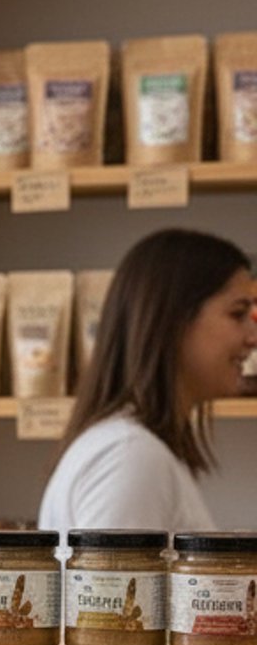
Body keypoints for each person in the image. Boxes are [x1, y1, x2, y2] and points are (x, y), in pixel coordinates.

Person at [38, 229, 255, 534]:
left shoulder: (139, 450)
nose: (252, 337)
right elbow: (115, 582)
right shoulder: (130, 456)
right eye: (237, 314)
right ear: (173, 321)